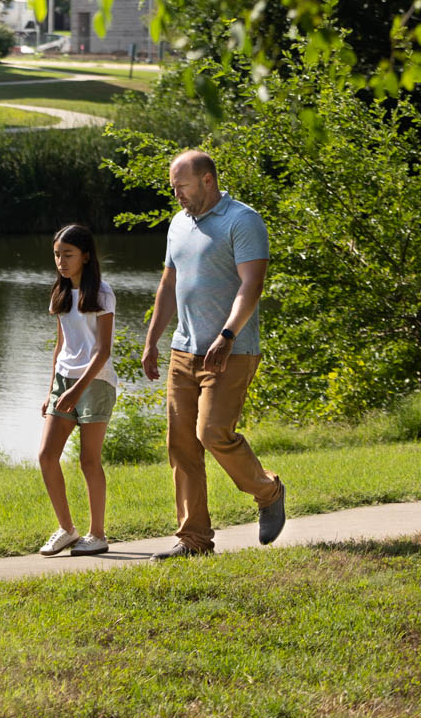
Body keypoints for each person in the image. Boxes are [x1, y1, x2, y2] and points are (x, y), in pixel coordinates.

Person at [141, 149, 286, 558]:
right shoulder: (177, 224)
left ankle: (268, 491)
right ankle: (194, 540)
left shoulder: (243, 220)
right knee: (182, 445)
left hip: (230, 350)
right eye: (173, 188)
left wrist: (227, 335)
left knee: (211, 433)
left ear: (207, 180)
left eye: (181, 186)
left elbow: (251, 285)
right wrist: (152, 339)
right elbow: (169, 285)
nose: (177, 195)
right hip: (184, 350)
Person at [36, 224, 119, 557]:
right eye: (57, 255)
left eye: (68, 255)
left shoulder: (101, 292)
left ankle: (96, 534)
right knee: (46, 456)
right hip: (64, 382)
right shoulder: (58, 293)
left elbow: (102, 351)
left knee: (88, 460)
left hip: (95, 381)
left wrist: (76, 390)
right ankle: (67, 529)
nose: (61, 261)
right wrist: (52, 390)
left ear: (85, 256)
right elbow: (61, 346)